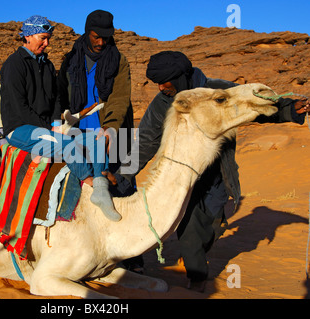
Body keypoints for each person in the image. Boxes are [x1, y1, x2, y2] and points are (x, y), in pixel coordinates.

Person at [118, 50, 309, 290]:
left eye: (164, 81)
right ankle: (196, 279)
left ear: (179, 77)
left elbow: (253, 105)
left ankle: (204, 243)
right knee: (189, 232)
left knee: (211, 225)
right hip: (184, 179)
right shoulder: (163, 104)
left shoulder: (217, 91)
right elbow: (146, 140)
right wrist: (122, 175)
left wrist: (289, 109)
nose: (160, 87)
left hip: (218, 174)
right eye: (157, 83)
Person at [0, 15, 121, 221]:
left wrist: (55, 124)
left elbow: (55, 101)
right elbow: (20, 108)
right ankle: (89, 181)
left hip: (46, 127)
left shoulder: (47, 65)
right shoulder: (13, 65)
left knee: (96, 139)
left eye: (48, 39)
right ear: (28, 36)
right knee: (68, 145)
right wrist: (50, 129)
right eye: (43, 38)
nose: (47, 43)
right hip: (21, 128)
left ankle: (100, 188)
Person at [56, 9, 136, 198]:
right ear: (87, 32)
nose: (101, 43)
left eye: (106, 38)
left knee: (115, 187)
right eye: (96, 37)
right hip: (79, 134)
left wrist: (111, 128)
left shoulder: (118, 61)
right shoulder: (71, 60)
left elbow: (119, 98)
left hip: (107, 132)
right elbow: (60, 95)